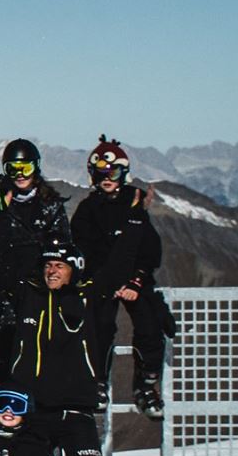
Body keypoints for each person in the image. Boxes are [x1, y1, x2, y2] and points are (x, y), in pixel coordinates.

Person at [0, 241, 142, 456]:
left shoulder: (89, 298)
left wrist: (132, 218)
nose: (52, 271)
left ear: (74, 268)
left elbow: (119, 260)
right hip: (32, 412)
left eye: (59, 266)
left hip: (75, 413)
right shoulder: (27, 296)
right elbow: (0, 253)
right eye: (47, 265)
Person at [72, 136, 172, 417]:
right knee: (99, 325)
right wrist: (106, 282)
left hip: (133, 281)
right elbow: (85, 250)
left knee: (151, 323)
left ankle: (146, 385)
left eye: (113, 172)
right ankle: (98, 381)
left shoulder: (135, 205)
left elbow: (149, 249)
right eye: (101, 173)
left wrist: (136, 280)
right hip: (102, 281)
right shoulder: (87, 210)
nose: (107, 179)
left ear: (123, 173)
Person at [0, 138, 71, 341]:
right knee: (8, 342)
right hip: (7, 287)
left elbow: (63, 246)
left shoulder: (50, 206)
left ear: (35, 168)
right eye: (13, 169)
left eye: (25, 168)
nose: (19, 175)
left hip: (41, 286)